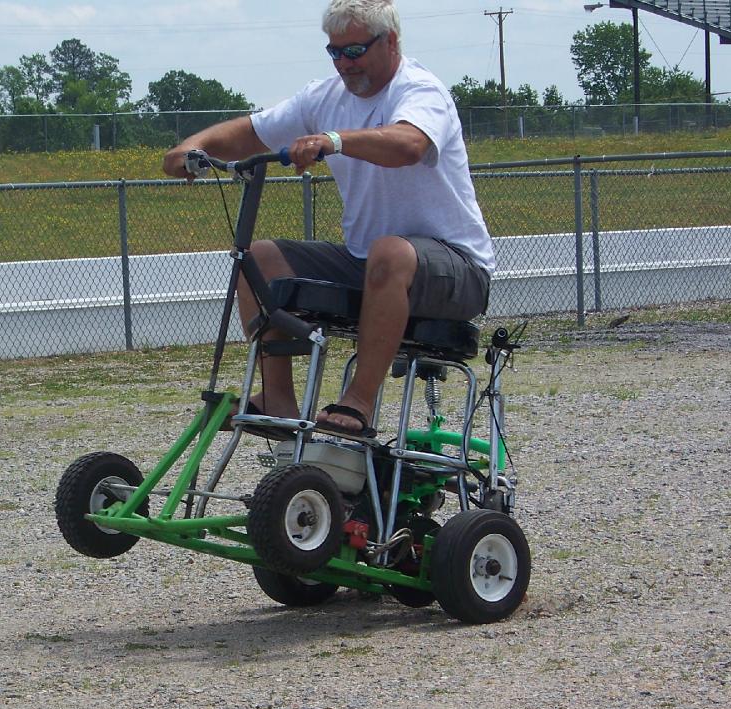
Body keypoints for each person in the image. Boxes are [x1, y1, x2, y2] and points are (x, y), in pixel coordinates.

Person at [162, 0, 494, 437]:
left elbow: (408, 144)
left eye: (354, 51)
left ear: (391, 42)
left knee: (389, 252)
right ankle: (277, 398)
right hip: (369, 264)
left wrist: (334, 141)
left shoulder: (420, 91)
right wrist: (192, 148)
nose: (344, 63)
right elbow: (252, 132)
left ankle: (358, 402)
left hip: (457, 270)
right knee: (257, 259)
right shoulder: (324, 97)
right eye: (334, 52)